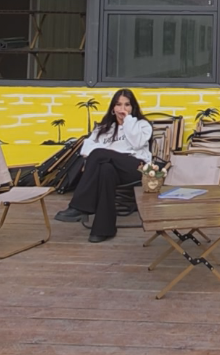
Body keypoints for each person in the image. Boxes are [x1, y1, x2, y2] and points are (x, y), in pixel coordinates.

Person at [53, 89, 153, 242]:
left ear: (133, 107)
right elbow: (86, 148)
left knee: (99, 154)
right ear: (113, 108)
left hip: (135, 166)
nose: (122, 108)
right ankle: (103, 229)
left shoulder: (142, 125)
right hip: (109, 167)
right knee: (106, 169)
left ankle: (79, 206)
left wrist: (128, 121)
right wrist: (101, 156)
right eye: (118, 104)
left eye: (127, 105)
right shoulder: (103, 128)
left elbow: (137, 143)